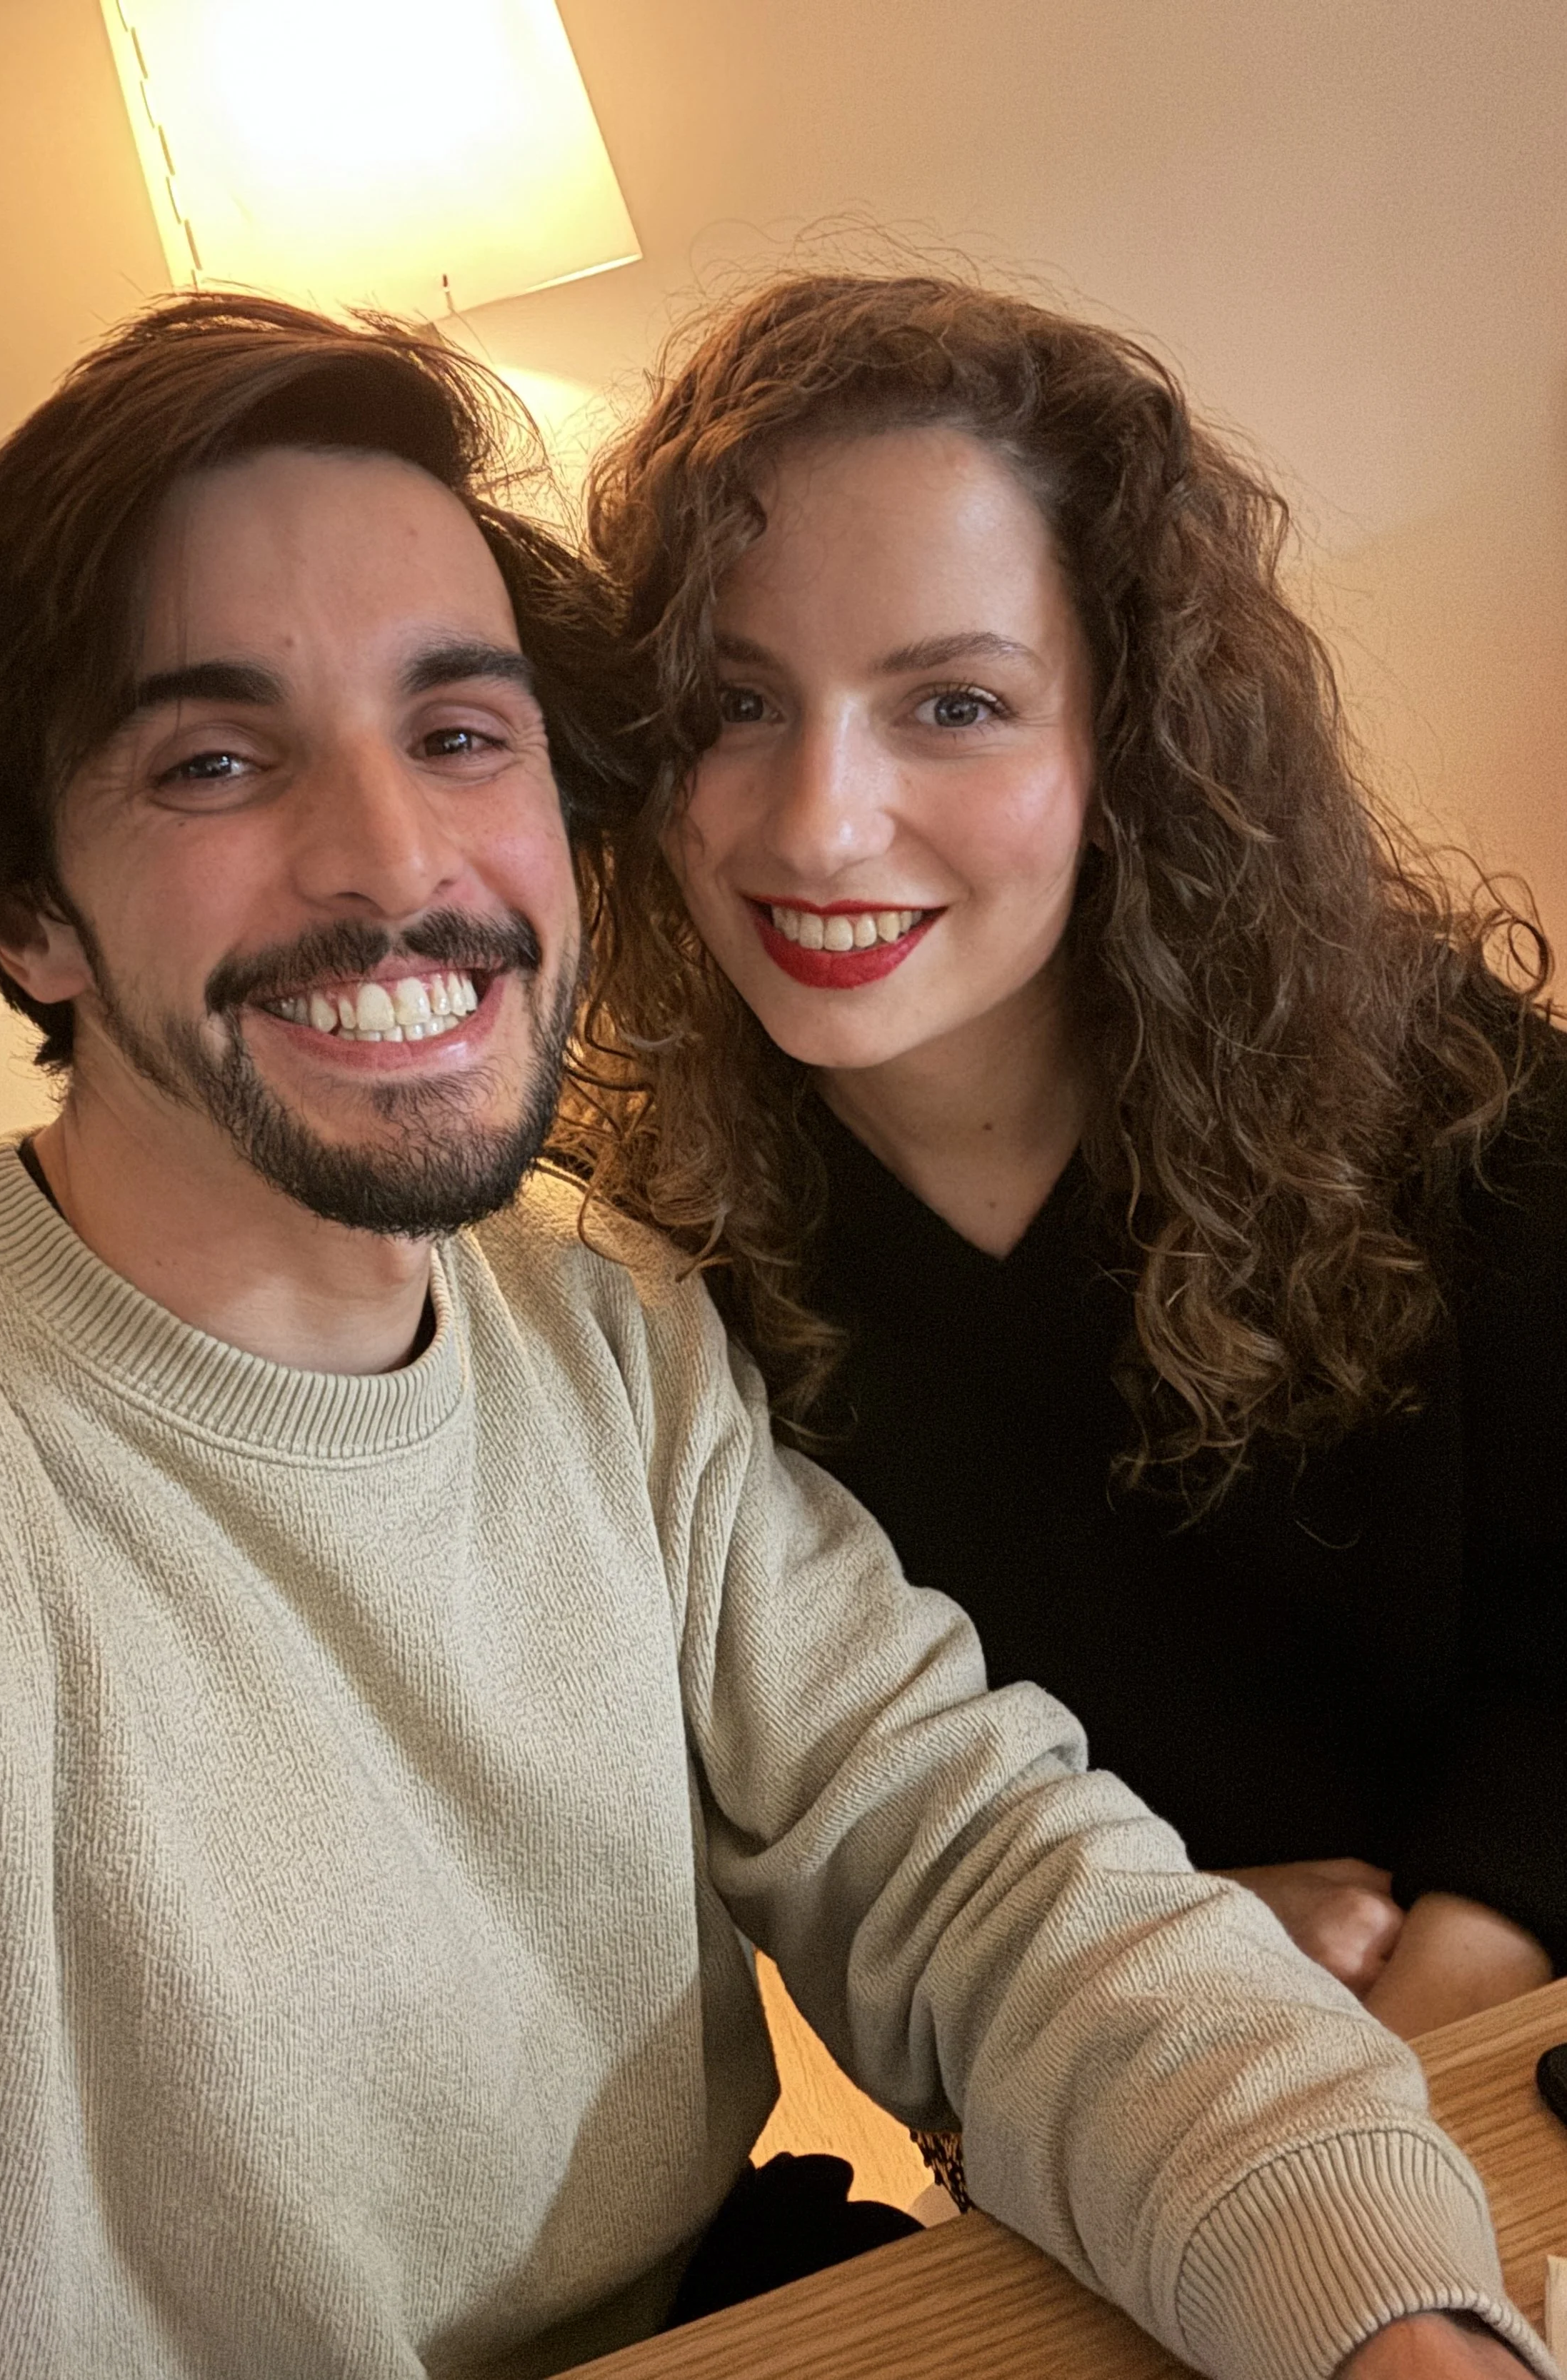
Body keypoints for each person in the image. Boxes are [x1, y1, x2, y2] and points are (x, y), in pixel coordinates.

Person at [0, 293, 1545, 2380]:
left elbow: (980, 1869)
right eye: (219, 759)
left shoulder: (602, 1332)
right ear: (22, 907)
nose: (398, 856)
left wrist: (1392, 2320)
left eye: (457, 730)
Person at [573, 271, 1565, 2045]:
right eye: (731, 704)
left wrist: (1442, 1992)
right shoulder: (641, 1274)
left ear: (1127, 733)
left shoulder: (1455, 1105)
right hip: (1097, 2102)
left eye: (949, 703)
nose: (816, 821)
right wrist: (1136, 1953)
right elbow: (801, 1859)